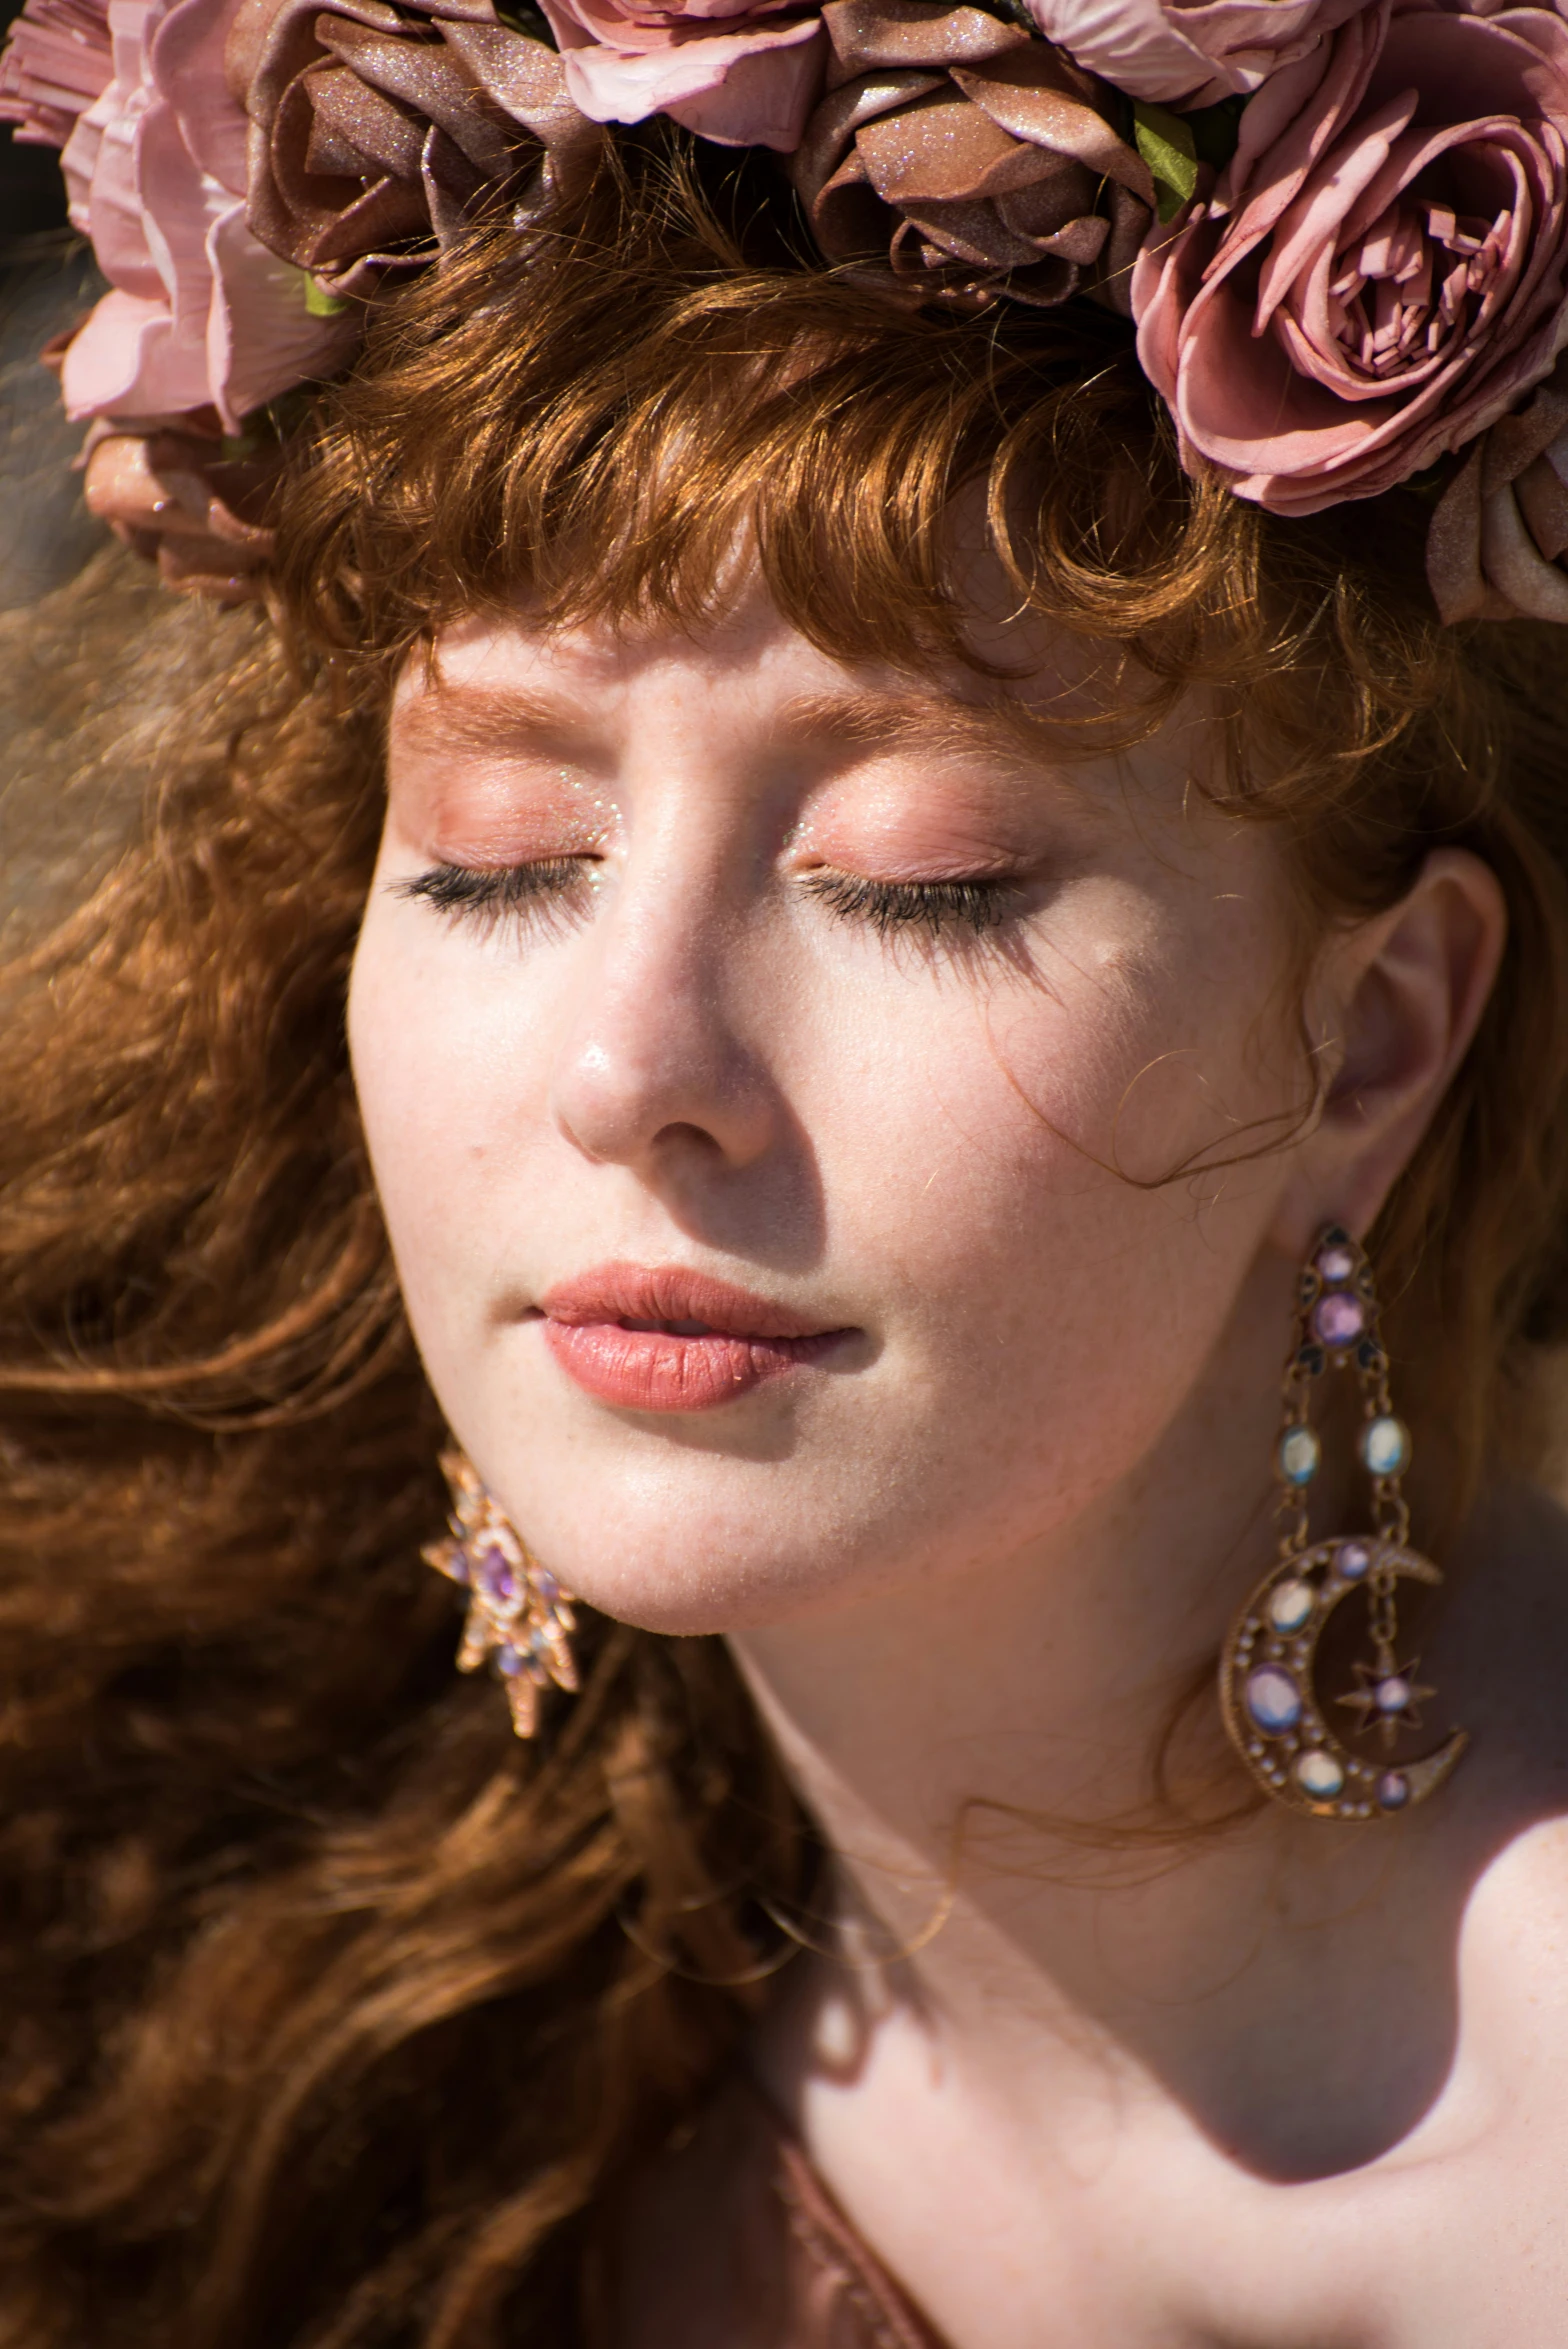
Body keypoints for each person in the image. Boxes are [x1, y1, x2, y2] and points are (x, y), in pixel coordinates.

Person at [7, 0, 1568, 2340]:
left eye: (914, 877)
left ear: (1375, 1036)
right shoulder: (168, 1901)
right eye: (497, 855)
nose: (635, 1066)